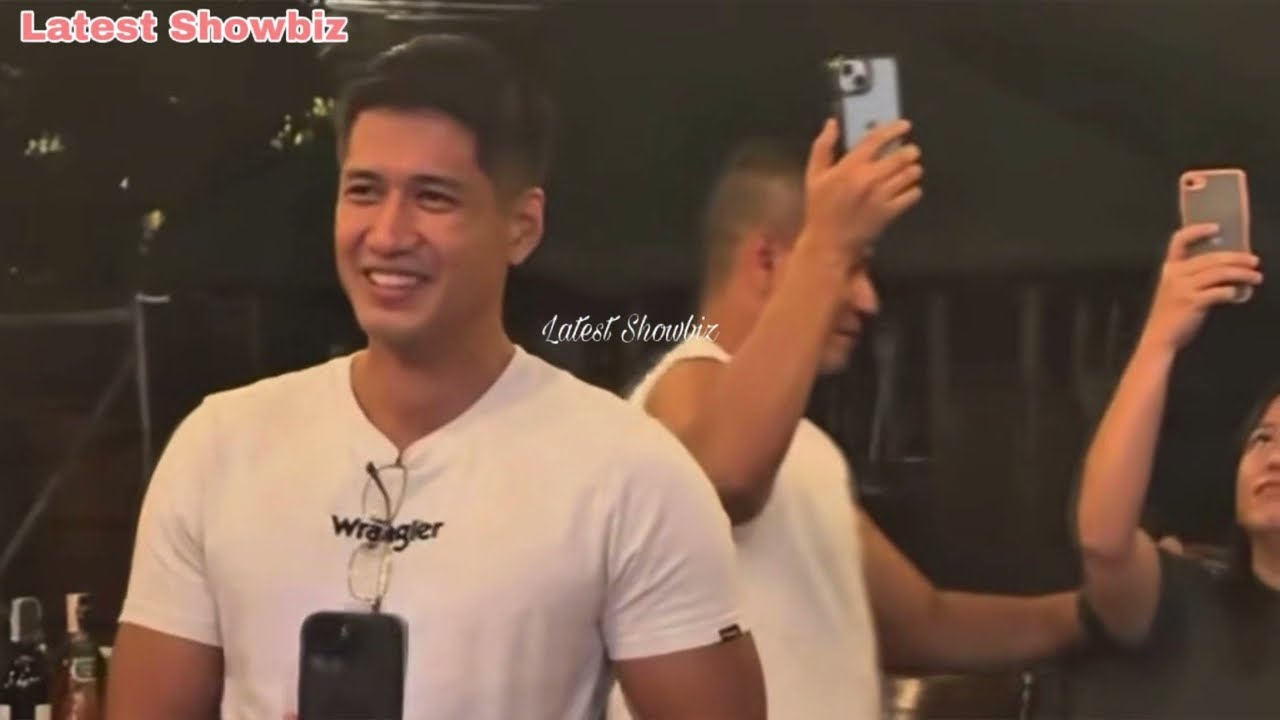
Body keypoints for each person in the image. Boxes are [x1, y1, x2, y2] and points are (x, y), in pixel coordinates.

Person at [104, 34, 766, 720]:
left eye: (433, 198)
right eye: (364, 191)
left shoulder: (631, 472)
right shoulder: (220, 448)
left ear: (522, 226)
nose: (388, 234)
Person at [608, 125, 1082, 720]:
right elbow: (725, 478)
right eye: (855, 268)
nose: (868, 300)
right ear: (766, 260)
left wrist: (1098, 611)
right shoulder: (682, 386)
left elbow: (926, 622)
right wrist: (829, 246)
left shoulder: (807, 450)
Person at [1072, 222, 1279, 717]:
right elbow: (1104, 541)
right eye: (1263, 438)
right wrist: (1161, 337)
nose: (1274, 457)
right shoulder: (1186, 604)